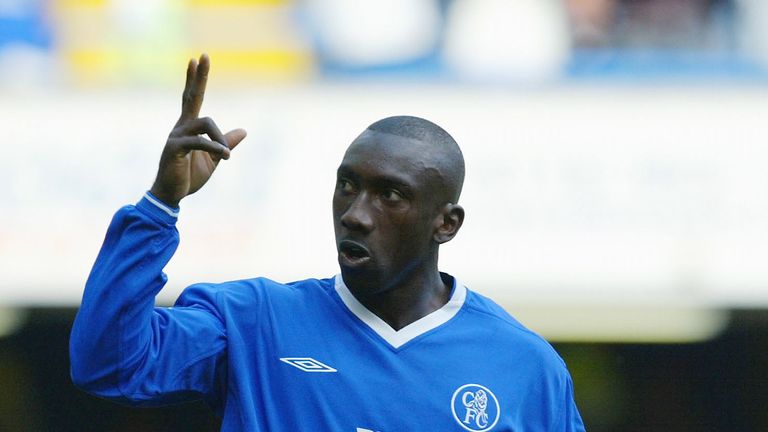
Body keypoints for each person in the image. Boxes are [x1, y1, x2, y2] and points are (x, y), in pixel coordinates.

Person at [70, 54, 586, 432]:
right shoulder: (253, 321)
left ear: (446, 224)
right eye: (347, 185)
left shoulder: (525, 367)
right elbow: (109, 363)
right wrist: (161, 204)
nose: (356, 214)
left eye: (390, 196)